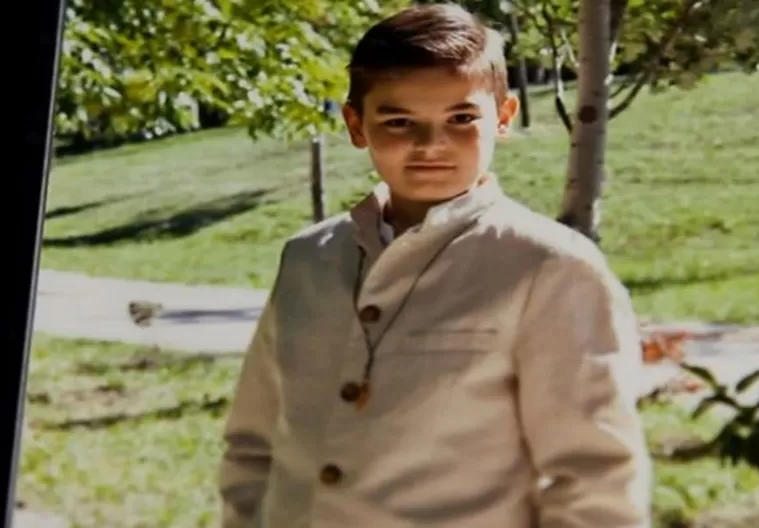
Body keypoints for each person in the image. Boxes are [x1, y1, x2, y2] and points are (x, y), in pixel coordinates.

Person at [217, 3, 652, 527]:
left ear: (504, 116)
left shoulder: (550, 268)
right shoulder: (308, 258)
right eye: (398, 121)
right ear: (356, 124)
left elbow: (594, 480)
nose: (430, 145)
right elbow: (254, 442)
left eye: (461, 118)